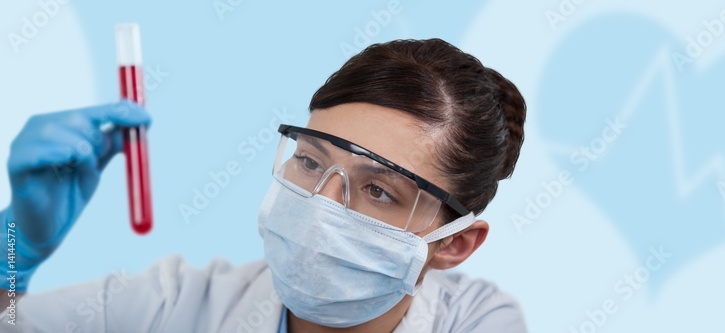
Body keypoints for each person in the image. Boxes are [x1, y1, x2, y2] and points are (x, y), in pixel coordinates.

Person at [1, 38, 528, 333]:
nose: (321, 205)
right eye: (309, 160)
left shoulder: (479, 322)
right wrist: (12, 250)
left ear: (454, 243)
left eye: (378, 191)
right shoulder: (181, 304)